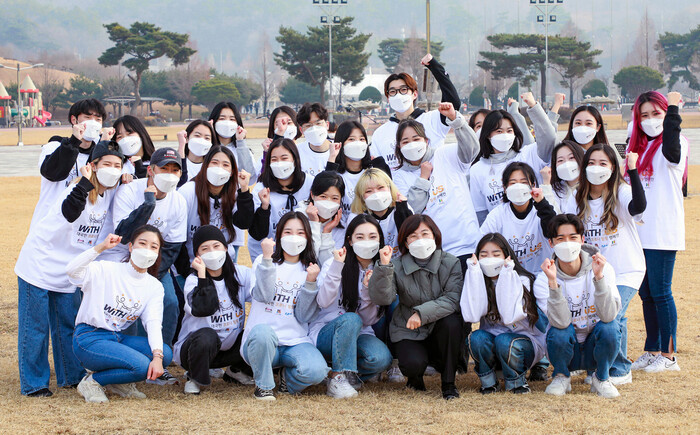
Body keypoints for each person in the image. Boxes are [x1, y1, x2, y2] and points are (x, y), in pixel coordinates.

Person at [14, 141, 125, 397]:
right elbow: (69, 213)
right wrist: (84, 184)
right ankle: (34, 384)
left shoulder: (108, 194)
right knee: (35, 328)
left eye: (117, 165)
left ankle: (71, 376)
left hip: (68, 269)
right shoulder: (77, 188)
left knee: (67, 325)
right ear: (92, 166)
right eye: (106, 164)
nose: (112, 170)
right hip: (40, 263)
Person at [553, 144, 646, 384]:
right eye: (591, 163)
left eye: (603, 163)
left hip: (625, 270)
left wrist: (632, 170)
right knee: (598, 318)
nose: (596, 168)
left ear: (613, 168)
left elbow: (638, 207)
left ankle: (619, 369)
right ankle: (598, 366)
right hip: (593, 274)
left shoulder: (621, 192)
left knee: (614, 314)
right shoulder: (576, 199)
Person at [106, 147, 187, 384]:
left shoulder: (178, 201)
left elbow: (173, 245)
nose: (169, 174)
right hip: (124, 260)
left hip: (156, 264)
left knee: (169, 302)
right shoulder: (129, 191)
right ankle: (128, 360)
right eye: (164, 169)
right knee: (129, 306)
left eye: (174, 170)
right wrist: (148, 203)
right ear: (151, 170)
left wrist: (151, 274)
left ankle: (159, 360)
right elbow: (123, 233)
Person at [68, 228, 173, 403]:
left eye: (154, 246)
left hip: (116, 338)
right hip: (89, 337)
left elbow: (153, 323)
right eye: (142, 243)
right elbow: (72, 271)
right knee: (141, 366)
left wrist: (157, 357)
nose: (147, 250)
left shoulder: (154, 286)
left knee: (165, 354)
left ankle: (117, 382)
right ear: (130, 247)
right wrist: (100, 248)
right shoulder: (106, 269)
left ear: (158, 253)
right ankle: (92, 382)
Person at [368, 215, 464, 400]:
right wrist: (384, 268)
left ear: (435, 236)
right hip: (408, 328)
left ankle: (449, 384)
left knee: (452, 322)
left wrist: (421, 313)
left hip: (439, 327)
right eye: (413, 236)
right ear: (405, 242)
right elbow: (383, 299)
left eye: (425, 233)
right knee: (412, 364)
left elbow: (452, 299)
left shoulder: (451, 262)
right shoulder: (396, 265)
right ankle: (415, 378)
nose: (420, 239)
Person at [626, 91, 687, 373]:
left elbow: (672, 151)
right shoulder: (638, 147)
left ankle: (669, 355)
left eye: (656, 114)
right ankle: (652, 349)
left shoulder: (674, 144)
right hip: (639, 233)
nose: (650, 120)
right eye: (644, 115)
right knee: (646, 293)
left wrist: (673, 109)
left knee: (661, 292)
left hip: (662, 231)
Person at [241, 212, 329, 400]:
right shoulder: (263, 261)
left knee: (317, 371)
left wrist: (310, 282)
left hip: (295, 342)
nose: (294, 237)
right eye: (288, 232)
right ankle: (263, 387)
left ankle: (287, 381)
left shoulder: (311, 269)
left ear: (308, 237)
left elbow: (304, 316)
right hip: (261, 342)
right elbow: (263, 295)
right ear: (279, 235)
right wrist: (267, 259)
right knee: (263, 332)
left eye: (300, 232)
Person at [538, 214, 622, 399]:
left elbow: (608, 315)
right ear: (551, 243)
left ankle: (601, 378)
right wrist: (553, 283)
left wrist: (599, 278)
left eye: (573, 237)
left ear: (582, 240)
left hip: (595, 344)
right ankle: (561, 376)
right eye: (560, 239)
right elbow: (560, 323)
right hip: (566, 348)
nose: (567, 243)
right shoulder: (543, 279)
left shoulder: (603, 268)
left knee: (611, 327)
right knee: (558, 331)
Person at [311, 214, 393, 398]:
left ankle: (336, 372)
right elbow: (323, 301)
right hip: (326, 332)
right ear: (350, 240)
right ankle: (339, 377)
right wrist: (336, 267)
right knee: (350, 319)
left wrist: (366, 291)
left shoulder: (380, 268)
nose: (366, 242)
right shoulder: (334, 262)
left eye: (372, 237)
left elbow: (369, 320)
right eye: (360, 237)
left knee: (380, 359)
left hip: (360, 333)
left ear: (380, 240)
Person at [392, 102, 481, 270]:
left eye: (416, 139)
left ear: (426, 141)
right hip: (433, 254)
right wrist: (423, 179)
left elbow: (472, 149)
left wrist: (455, 120)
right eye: (405, 141)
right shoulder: (400, 176)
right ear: (399, 146)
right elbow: (412, 210)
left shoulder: (445, 153)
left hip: (467, 246)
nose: (412, 144)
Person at [462, 233, 547, 394]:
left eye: (496, 254)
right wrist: (473, 273)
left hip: (523, 343)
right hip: (493, 344)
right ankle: (489, 382)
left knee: (504, 340)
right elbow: (472, 315)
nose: (490, 259)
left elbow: (509, 316)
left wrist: (507, 273)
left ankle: (516, 382)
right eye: (484, 255)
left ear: (506, 256)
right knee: (476, 337)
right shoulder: (478, 279)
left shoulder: (521, 279)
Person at [174, 225, 254, 395]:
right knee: (207, 336)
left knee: (256, 335)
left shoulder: (240, 273)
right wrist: (202, 275)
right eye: (205, 249)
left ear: (225, 248)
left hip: (227, 350)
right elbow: (204, 308)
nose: (212, 252)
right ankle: (194, 377)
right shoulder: (193, 280)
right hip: (194, 350)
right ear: (198, 255)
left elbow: (260, 296)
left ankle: (236, 370)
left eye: (216, 246)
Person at [469, 92, 557, 221]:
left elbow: (549, 138)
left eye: (509, 131)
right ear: (488, 135)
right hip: (502, 230)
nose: (505, 135)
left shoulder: (527, 154)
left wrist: (533, 107)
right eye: (499, 131)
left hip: (535, 227)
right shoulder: (477, 170)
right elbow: (481, 212)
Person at [370, 53, 461, 172]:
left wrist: (434, 66)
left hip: (434, 182)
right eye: (392, 92)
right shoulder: (379, 134)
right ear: (388, 98)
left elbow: (453, 103)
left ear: (414, 94)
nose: (398, 95)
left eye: (403, 90)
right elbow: (379, 172)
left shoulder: (433, 120)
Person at [31, 98, 110, 229]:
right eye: (88, 117)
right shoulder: (54, 146)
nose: (93, 123)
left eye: (98, 119)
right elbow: (53, 173)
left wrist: (103, 147)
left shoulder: (100, 152)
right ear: (74, 120)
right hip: (49, 224)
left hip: (82, 226)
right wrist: (74, 141)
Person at [177, 146, 254, 265]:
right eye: (214, 163)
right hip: (193, 263)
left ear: (232, 172)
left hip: (224, 264)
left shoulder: (234, 192)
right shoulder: (187, 192)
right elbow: (178, 236)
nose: (219, 168)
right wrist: (187, 270)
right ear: (205, 166)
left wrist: (244, 190)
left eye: (225, 165)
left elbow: (244, 223)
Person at [480, 162, 555, 275]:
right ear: (505, 188)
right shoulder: (497, 215)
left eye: (524, 182)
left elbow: (554, 232)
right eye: (513, 183)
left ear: (533, 185)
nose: (518, 187)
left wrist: (541, 203)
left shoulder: (543, 208)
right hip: (512, 275)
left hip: (543, 274)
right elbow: (483, 244)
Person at [248, 139, 314, 261]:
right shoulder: (261, 188)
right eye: (274, 159)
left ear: (295, 160)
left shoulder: (310, 183)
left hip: (302, 254)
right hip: (269, 254)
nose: (279, 163)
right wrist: (264, 208)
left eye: (284, 158)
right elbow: (257, 232)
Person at [325, 120, 390, 222]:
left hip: (369, 227)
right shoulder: (335, 174)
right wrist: (332, 158)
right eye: (351, 139)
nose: (358, 143)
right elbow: (324, 193)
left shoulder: (373, 173)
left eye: (362, 139)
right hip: (339, 229)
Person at [350, 168, 412, 258]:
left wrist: (403, 211)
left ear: (389, 188)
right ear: (362, 197)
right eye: (369, 191)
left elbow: (411, 237)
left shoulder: (403, 208)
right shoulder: (356, 217)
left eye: (380, 188)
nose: (376, 194)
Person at [208, 101, 260, 184]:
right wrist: (207, 136)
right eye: (222, 118)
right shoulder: (205, 148)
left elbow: (250, 178)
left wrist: (241, 142)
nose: (227, 123)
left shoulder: (242, 149)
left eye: (232, 119)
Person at [303, 171, 345, 264]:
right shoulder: (298, 218)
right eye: (323, 196)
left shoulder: (341, 228)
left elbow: (328, 264)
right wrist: (314, 223)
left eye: (334, 198)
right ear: (312, 195)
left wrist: (326, 232)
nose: (328, 202)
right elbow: (309, 258)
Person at [540, 140, 585, 214]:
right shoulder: (556, 189)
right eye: (560, 160)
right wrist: (546, 183)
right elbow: (552, 214)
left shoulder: (591, 186)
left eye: (571, 158)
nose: (566, 164)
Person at [260, 105, 302, 176]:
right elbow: (265, 177)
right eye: (278, 124)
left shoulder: (305, 150)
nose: (283, 127)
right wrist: (268, 153)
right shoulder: (266, 155)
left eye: (288, 123)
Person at [295, 102, 332, 176]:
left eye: (318, 123)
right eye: (308, 125)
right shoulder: (296, 152)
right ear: (301, 130)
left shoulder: (338, 150)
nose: (314, 129)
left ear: (327, 125)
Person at [176, 120, 217, 184]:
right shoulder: (176, 162)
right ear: (187, 138)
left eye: (207, 138)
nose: (202, 141)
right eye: (197, 136)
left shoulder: (213, 167)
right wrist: (181, 146)